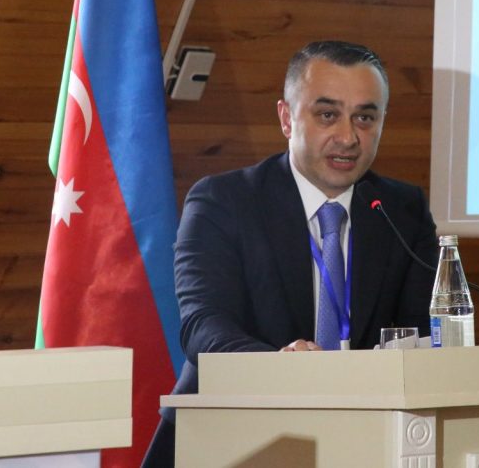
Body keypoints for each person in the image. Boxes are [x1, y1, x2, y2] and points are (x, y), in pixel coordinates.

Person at [141, 40, 439, 466]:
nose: (348, 137)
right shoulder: (223, 202)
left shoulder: (401, 210)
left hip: (366, 440)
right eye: (327, 115)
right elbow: (204, 328)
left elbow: (423, 334)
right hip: (229, 435)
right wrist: (279, 367)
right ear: (286, 118)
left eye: (365, 117)